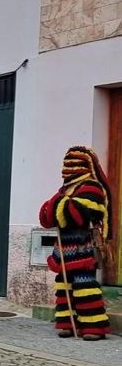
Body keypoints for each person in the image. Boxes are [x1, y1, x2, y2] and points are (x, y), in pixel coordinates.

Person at [39, 146, 113, 341]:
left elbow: (77, 215)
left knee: (84, 285)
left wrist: (57, 206)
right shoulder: (64, 190)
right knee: (64, 286)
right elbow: (45, 217)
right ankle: (67, 324)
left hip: (83, 247)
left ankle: (93, 326)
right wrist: (58, 206)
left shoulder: (92, 187)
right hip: (63, 249)